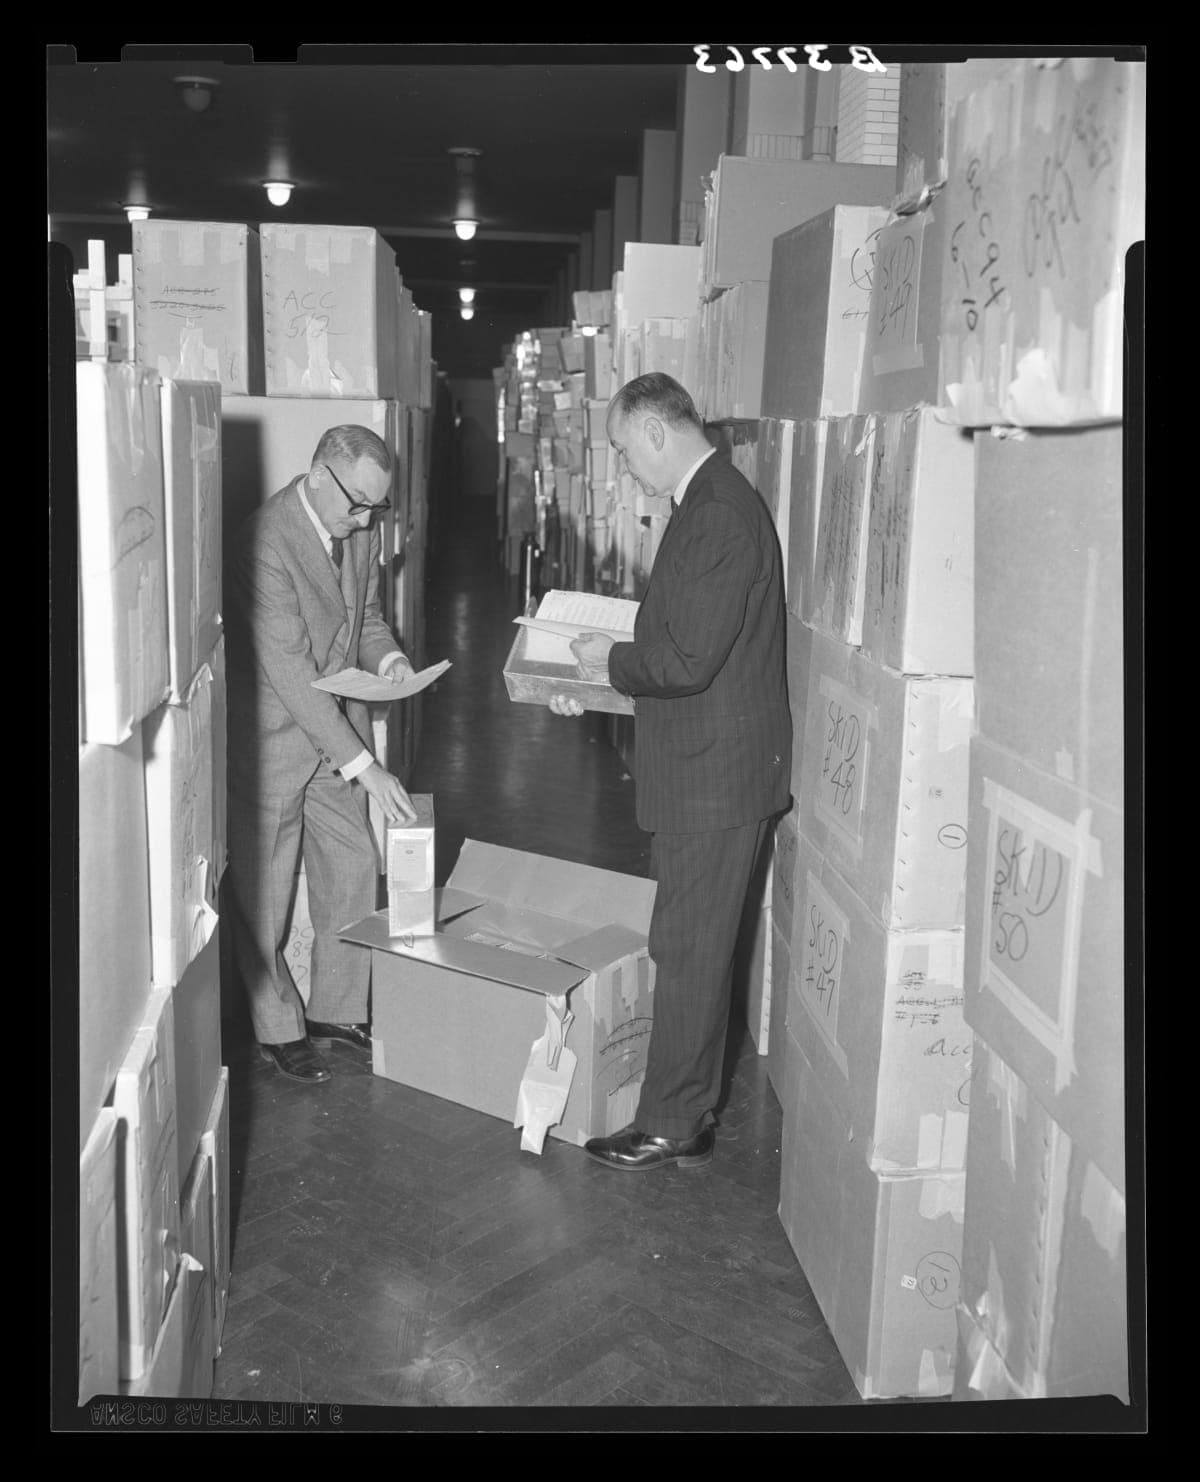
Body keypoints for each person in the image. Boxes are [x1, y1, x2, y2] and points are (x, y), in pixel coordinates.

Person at [549, 374, 791, 1170]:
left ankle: (672, 1122)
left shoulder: (716, 513)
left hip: (714, 779)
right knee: (695, 943)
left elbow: (684, 659)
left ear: (657, 432)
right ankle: (687, 1106)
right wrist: (597, 675)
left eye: (623, 449)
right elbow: (686, 637)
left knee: (687, 949)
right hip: (708, 766)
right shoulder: (708, 502)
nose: (624, 467)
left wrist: (602, 661)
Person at [224, 424, 418, 1084]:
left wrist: (390, 660)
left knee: (355, 860)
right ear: (317, 477)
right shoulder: (264, 542)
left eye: (376, 507)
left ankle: (338, 1009)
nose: (365, 520)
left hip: (335, 725)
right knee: (267, 889)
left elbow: (361, 618)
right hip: (277, 733)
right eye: (358, 502)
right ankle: (276, 1024)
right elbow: (290, 670)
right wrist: (366, 764)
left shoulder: (357, 528)